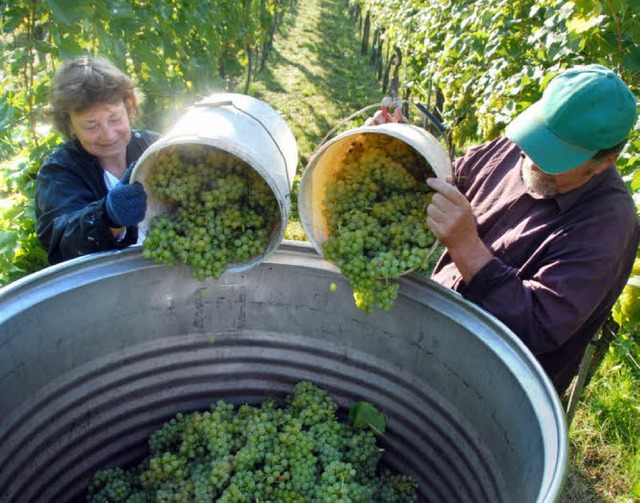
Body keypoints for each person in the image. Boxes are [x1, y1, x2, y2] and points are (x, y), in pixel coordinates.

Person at [372, 64, 639, 396]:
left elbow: (538, 325)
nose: (531, 157)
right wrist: (403, 149)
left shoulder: (607, 225)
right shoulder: (517, 147)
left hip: (492, 392)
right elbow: (450, 182)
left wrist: (467, 247)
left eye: (555, 156)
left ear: (605, 161)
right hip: (431, 338)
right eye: (538, 139)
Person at [35, 55, 160, 265]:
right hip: (108, 290)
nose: (108, 135)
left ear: (128, 109)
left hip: (171, 281)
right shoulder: (59, 172)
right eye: (91, 126)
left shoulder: (155, 148)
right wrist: (107, 218)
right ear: (70, 126)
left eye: (115, 119)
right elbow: (62, 244)